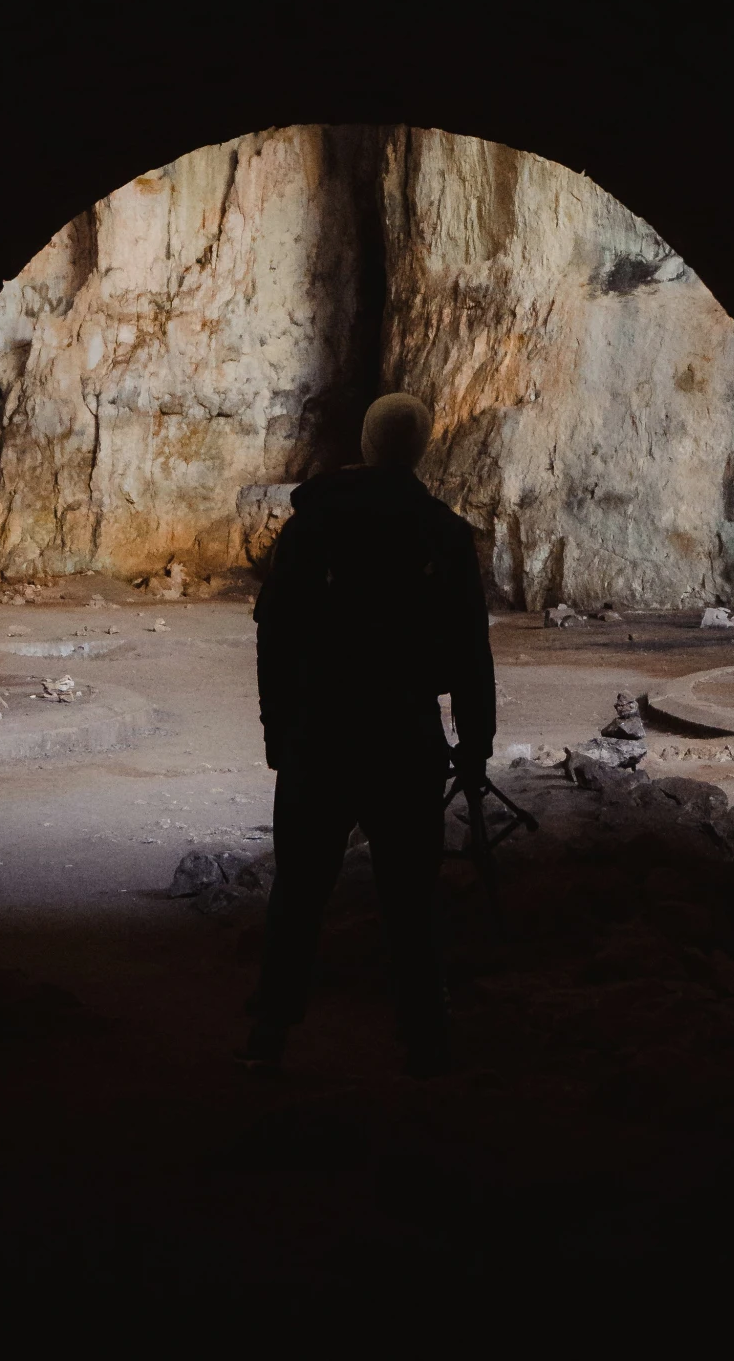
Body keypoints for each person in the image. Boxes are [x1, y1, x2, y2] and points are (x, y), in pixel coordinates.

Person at [242, 391, 496, 1076]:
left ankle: (270, 1030)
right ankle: (425, 1038)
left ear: (365, 441)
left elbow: (277, 634)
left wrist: (276, 727)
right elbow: (470, 652)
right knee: (410, 897)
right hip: (403, 734)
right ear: (421, 449)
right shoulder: (441, 533)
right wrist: (474, 746)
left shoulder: (314, 525)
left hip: (318, 730)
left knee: (298, 888)